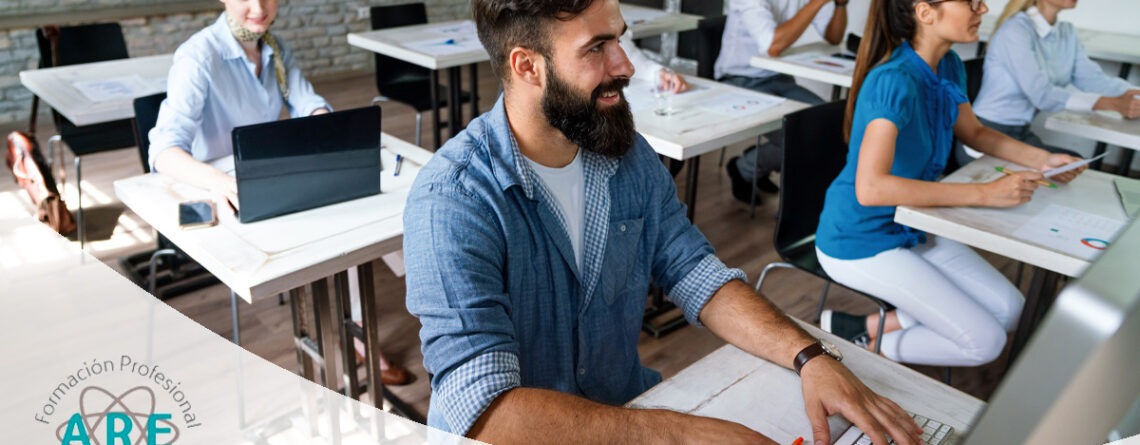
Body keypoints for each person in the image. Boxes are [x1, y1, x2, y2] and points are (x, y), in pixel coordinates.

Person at [403, 1, 923, 444]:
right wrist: (680, 432)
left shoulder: (627, 156)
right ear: (527, 66)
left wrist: (810, 356)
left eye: (621, 41)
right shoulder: (453, 200)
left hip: (628, 414)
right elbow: (485, 408)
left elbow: (694, 271)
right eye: (596, 48)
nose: (625, 64)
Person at [148, 0, 410, 385]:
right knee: (335, 222)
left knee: (351, 207)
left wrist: (325, 128)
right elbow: (164, 152)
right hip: (223, 187)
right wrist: (219, 182)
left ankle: (361, 322)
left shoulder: (275, 47)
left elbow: (307, 103)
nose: (259, 7)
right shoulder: (198, 56)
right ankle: (348, 329)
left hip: (271, 175)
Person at [815, 0, 1086, 367]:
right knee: (985, 342)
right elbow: (871, 189)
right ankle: (864, 348)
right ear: (926, 12)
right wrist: (986, 194)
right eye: (971, 2)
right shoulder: (893, 80)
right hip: (859, 238)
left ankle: (866, 325)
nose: (984, 9)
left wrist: (1045, 160)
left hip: (911, 221)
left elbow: (973, 132)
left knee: (1010, 310)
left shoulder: (949, 65)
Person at [964, 0, 1140, 166]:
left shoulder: (1067, 33)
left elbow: (1094, 79)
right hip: (988, 135)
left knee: (1074, 163)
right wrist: (1112, 104)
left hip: (1021, 134)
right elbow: (1042, 94)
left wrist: (1135, 96)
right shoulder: (1015, 30)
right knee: (1056, 173)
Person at [715, 0, 847, 203]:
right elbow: (772, 46)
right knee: (804, 137)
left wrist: (839, 5)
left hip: (779, 78)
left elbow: (833, 37)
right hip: (738, 81)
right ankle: (746, 168)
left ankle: (756, 159)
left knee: (835, 124)